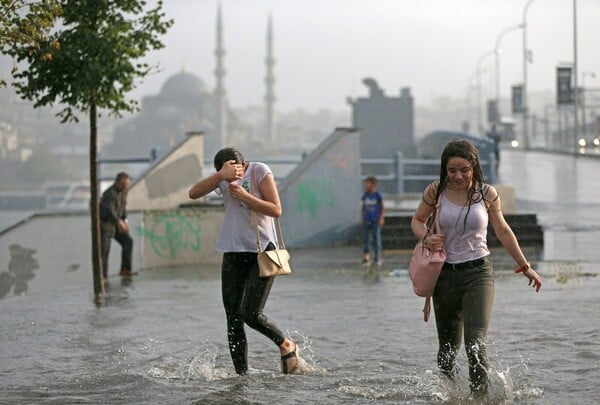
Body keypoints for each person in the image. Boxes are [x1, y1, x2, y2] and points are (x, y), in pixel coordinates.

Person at [410, 139, 542, 398]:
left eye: (464, 170)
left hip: (478, 272)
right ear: (444, 170)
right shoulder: (435, 192)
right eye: (451, 171)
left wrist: (525, 266)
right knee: (447, 350)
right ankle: (449, 397)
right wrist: (425, 237)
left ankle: (478, 399)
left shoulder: (487, 194)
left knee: (475, 344)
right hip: (445, 276)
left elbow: (503, 230)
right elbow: (417, 220)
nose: (458, 176)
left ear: (474, 167)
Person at [188, 147, 302, 375]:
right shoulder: (223, 178)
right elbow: (193, 193)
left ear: (244, 163)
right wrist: (221, 176)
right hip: (232, 250)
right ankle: (242, 374)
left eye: (238, 169)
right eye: (229, 171)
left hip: (262, 250)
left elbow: (276, 209)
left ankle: (286, 344)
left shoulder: (259, 170)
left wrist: (246, 196)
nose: (235, 175)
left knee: (251, 313)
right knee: (232, 316)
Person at [100, 172, 135, 278]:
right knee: (104, 252)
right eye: (124, 185)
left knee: (128, 241)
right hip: (106, 225)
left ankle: (125, 270)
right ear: (117, 182)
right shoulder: (109, 194)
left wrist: (125, 221)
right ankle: (103, 277)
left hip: (117, 225)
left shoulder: (124, 192)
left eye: (127, 185)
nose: (126, 187)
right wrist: (119, 221)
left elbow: (123, 208)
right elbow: (109, 210)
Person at [361, 176, 385, 266]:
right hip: (367, 220)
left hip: (375, 220)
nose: (366, 185)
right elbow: (363, 206)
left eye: (367, 183)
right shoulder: (365, 194)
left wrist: (381, 217)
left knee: (376, 239)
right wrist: (362, 217)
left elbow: (382, 207)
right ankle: (366, 257)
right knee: (366, 239)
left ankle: (377, 257)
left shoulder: (378, 195)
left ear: (373, 184)